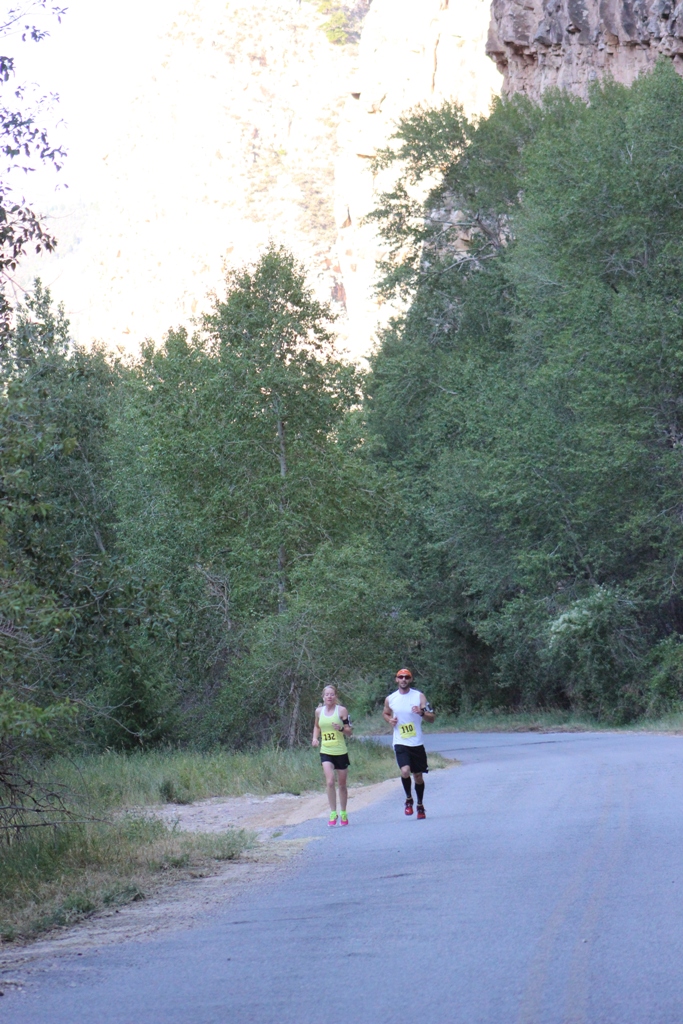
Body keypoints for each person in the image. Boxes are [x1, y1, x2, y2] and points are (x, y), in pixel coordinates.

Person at [383, 668, 435, 819]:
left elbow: (432, 718)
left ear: (410, 679)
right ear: (396, 680)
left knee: (418, 776)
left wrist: (422, 713)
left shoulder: (419, 696)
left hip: (416, 742)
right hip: (400, 741)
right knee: (405, 771)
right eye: (401, 677)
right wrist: (390, 720)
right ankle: (408, 799)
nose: (404, 679)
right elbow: (385, 713)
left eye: (407, 677)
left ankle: (420, 804)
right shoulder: (390, 699)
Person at [312, 684, 353, 826]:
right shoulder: (318, 711)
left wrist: (341, 728)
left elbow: (349, 731)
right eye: (327, 694)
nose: (329, 697)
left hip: (340, 751)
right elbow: (317, 726)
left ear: (336, 697)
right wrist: (315, 738)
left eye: (332, 694)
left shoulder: (342, 711)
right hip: (326, 751)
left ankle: (343, 812)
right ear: (323, 697)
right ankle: (333, 812)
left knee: (342, 784)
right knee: (330, 781)